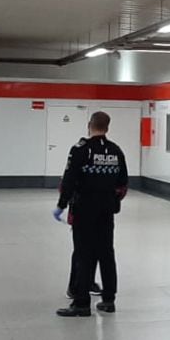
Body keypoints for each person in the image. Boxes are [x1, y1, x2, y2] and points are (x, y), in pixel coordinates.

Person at [53, 111, 129, 317]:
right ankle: (108, 299)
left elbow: (68, 181)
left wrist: (61, 205)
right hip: (107, 211)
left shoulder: (81, 150)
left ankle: (81, 303)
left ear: (89, 125)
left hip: (84, 210)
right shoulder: (116, 151)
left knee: (83, 253)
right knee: (106, 253)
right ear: (108, 127)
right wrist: (111, 200)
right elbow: (123, 184)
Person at [59, 136, 102, 299]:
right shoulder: (80, 150)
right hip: (80, 207)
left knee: (95, 248)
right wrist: (63, 202)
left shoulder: (105, 151)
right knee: (81, 249)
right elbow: (68, 179)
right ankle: (74, 285)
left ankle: (88, 281)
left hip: (98, 208)